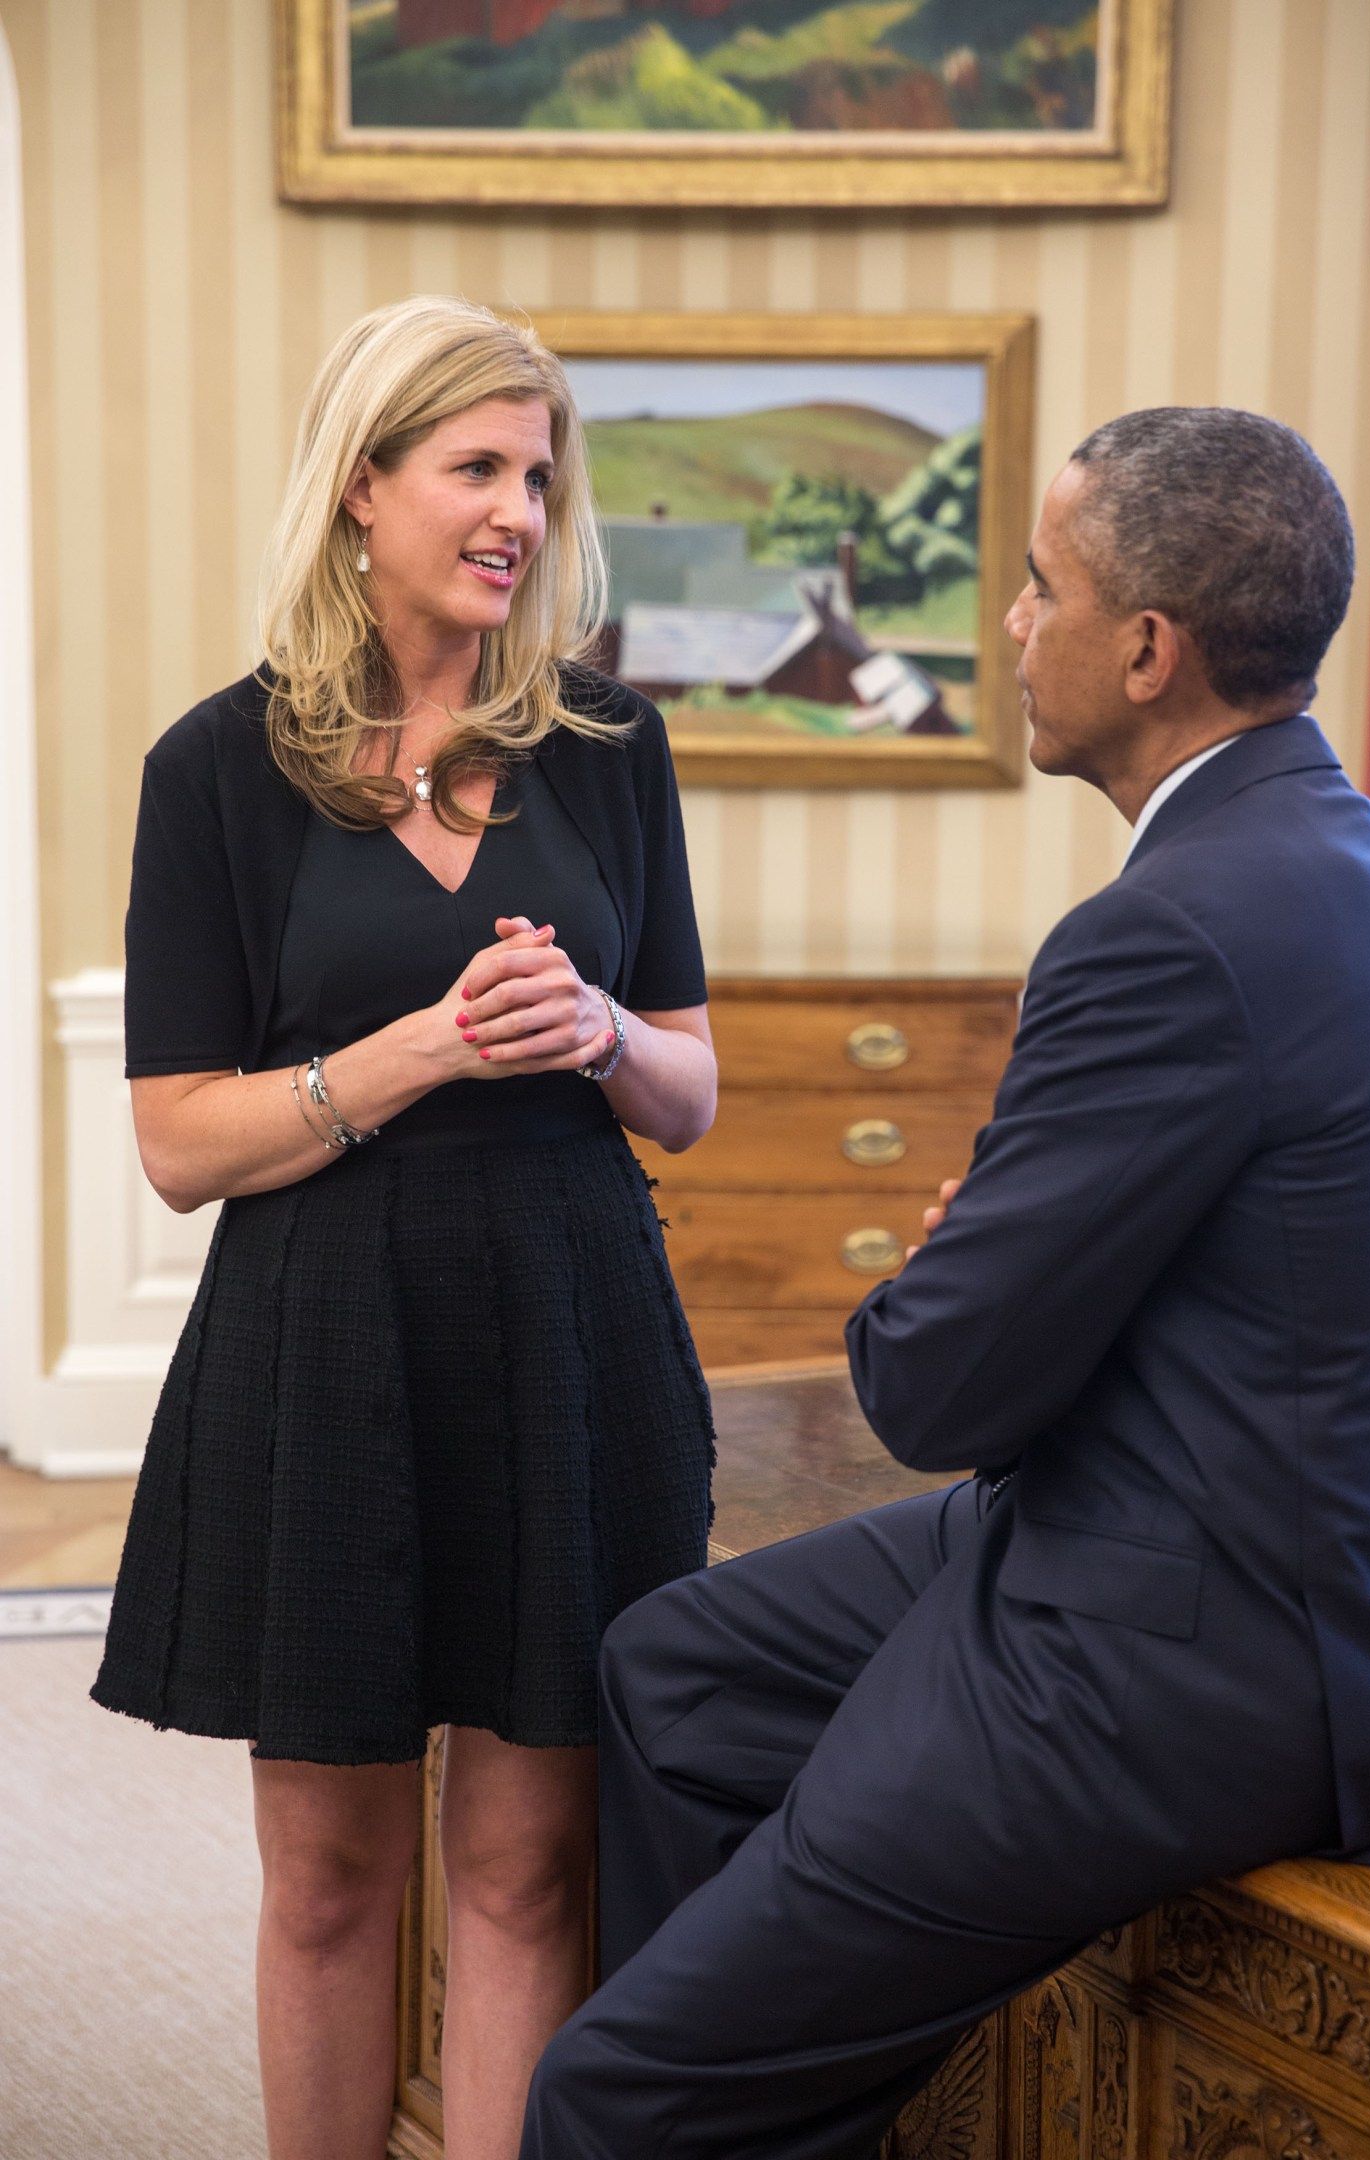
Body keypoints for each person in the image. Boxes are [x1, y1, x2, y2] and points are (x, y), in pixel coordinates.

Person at [517, 407, 1370, 2159]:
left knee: (605, 2100)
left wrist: (961, 1251)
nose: (1012, 626)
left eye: (1039, 588)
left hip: (1176, 1642)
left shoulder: (1163, 931)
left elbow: (934, 1392)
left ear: (1149, 648)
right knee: (673, 1671)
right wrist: (1022, 1247)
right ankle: (758, 2070)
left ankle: (688, 2090)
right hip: (1195, 1535)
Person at [91, 294, 718, 2160]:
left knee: (531, 1865)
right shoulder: (216, 768)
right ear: (364, 489)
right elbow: (180, 1145)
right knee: (334, 1872)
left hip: (571, 1327)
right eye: (475, 468)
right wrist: (411, 1057)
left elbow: (688, 1090)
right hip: (323, 1340)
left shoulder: (610, 747)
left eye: (539, 473)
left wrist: (601, 1031)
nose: (518, 509)